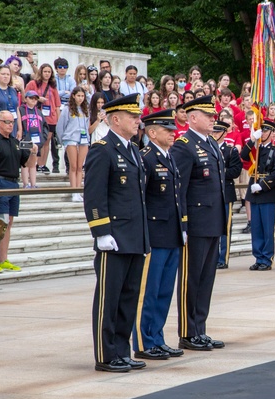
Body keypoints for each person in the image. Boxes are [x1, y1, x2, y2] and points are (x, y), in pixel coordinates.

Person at [83, 93, 150, 373]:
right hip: (114, 237)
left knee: (128, 298)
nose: (138, 121)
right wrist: (100, 231)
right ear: (115, 119)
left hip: (134, 235)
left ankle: (122, 350)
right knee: (109, 298)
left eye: (138, 116)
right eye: (133, 117)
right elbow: (94, 194)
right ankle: (106, 354)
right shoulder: (102, 149)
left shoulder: (133, 149)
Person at [170, 95, 227, 351]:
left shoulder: (211, 144)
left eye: (214, 115)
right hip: (195, 222)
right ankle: (187, 331)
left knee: (206, 279)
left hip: (213, 220)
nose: (213, 119)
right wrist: (182, 223)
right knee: (191, 279)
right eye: (208, 115)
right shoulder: (184, 145)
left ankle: (200, 329)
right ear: (193, 118)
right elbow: (179, 188)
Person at [134, 109, 187, 361]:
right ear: (152, 132)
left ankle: (158, 337)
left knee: (165, 291)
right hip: (154, 234)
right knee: (150, 291)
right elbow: (141, 200)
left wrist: (182, 228)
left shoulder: (169, 156)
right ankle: (144, 342)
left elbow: (176, 197)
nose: (173, 134)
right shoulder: (145, 157)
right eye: (168, 130)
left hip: (171, 233)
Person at [0, 110, 31, 272]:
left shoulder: (14, 142)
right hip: (0, 182)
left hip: (13, 183)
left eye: (12, 122)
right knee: (0, 223)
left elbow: (25, 163)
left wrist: (33, 153)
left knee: (8, 223)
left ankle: (3, 259)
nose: (11, 125)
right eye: (7, 122)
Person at [241, 120, 275, 270]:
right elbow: (243, 155)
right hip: (254, 193)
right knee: (257, 228)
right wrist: (252, 139)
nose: (263, 133)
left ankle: (267, 258)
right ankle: (258, 257)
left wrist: (262, 184)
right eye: (262, 130)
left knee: (268, 228)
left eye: (266, 130)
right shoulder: (256, 149)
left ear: (273, 134)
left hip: (268, 193)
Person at [212, 120, 242, 268]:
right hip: (211, 193)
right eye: (214, 131)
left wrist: (220, 173)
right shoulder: (208, 148)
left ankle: (223, 258)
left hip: (226, 192)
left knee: (225, 227)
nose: (214, 134)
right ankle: (213, 257)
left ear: (224, 133)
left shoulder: (231, 151)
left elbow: (235, 171)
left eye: (217, 132)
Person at [56, 87, 92, 200]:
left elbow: (87, 126)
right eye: (78, 96)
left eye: (82, 96)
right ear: (73, 96)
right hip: (70, 138)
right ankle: (73, 191)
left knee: (80, 167)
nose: (80, 98)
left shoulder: (85, 109)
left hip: (83, 139)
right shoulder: (67, 109)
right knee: (74, 166)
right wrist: (62, 140)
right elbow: (60, 126)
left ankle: (79, 190)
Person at [26, 63, 61, 174]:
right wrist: (37, 98)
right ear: (41, 72)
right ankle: (33, 163)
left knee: (46, 141)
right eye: (45, 71)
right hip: (36, 116)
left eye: (49, 72)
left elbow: (57, 105)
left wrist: (58, 120)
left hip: (50, 117)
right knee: (37, 140)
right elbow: (25, 96)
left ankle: (42, 164)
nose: (47, 74)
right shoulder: (33, 83)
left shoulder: (53, 87)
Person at [18, 91, 44, 187]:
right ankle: (26, 183)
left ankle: (33, 183)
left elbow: (44, 127)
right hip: (26, 140)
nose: (33, 100)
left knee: (34, 162)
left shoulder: (39, 112)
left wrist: (42, 139)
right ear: (26, 99)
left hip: (37, 140)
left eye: (35, 98)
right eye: (31, 98)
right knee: (25, 162)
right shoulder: (21, 110)